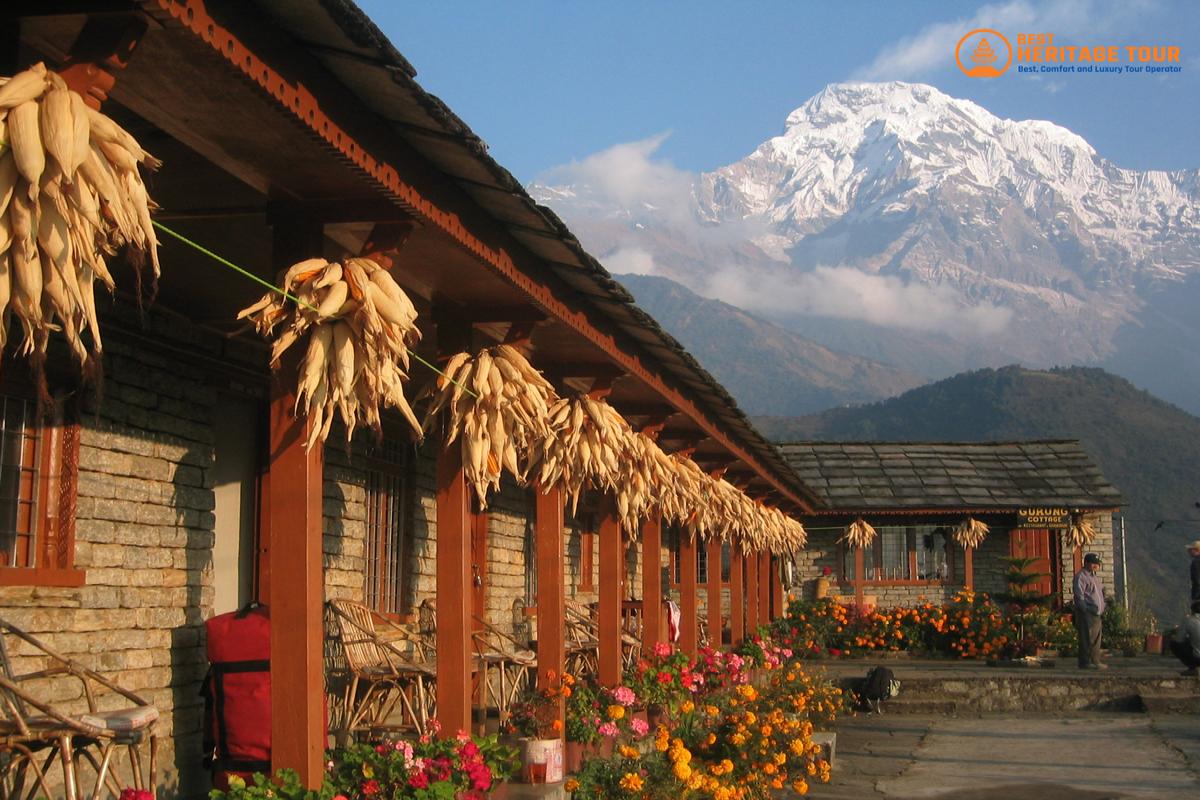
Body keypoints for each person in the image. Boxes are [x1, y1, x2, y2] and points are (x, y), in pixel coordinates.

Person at [1073, 552, 1107, 670]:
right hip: (1087, 613)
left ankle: (1095, 661)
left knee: (1096, 639)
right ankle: (1085, 662)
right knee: (1086, 638)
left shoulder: (1094, 577)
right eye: (1093, 563)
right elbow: (1079, 596)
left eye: (1097, 564)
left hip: (1096, 613)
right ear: (1086, 563)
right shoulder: (1081, 577)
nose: (1096, 566)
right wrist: (1085, 609)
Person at [1169, 600, 1200, 677]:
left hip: (1198, 658)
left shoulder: (1189, 620)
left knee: (1174, 644)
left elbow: (1178, 640)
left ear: (1192, 610)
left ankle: (1193, 667)